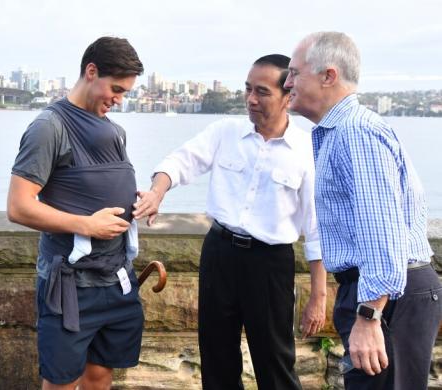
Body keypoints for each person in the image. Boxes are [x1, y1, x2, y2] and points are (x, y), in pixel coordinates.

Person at [133, 54, 327, 390]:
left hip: (270, 264)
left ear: (288, 97)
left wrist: (318, 297)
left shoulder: (307, 150)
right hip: (219, 254)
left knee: (275, 365)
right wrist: (157, 192)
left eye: (262, 92)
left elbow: (316, 229)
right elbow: (181, 161)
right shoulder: (225, 132)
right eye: (248, 89)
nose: (251, 99)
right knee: (217, 360)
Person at [283, 31, 442, 389]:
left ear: (329, 75)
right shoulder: (338, 131)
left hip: (387, 299)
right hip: (382, 294)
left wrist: (370, 316)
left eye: (295, 73)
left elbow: (381, 232)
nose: (287, 81)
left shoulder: (355, 133)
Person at [7, 36, 145, 390]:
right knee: (62, 382)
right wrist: (86, 225)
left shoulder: (117, 132)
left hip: (117, 280)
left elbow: (105, 187)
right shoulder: (48, 127)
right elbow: (18, 207)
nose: (118, 99)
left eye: (125, 92)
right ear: (91, 71)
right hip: (70, 284)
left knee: (101, 375)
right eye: (115, 88)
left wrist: (140, 201)